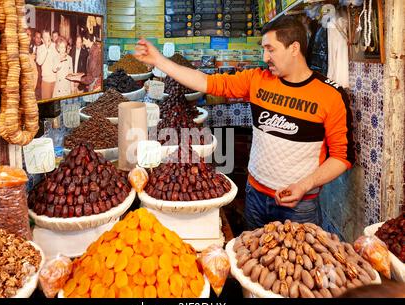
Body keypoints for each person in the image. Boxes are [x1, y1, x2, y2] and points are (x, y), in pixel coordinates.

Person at [134, 16, 355, 229]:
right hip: (255, 196)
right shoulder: (257, 79)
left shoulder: (330, 95)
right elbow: (206, 82)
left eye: (271, 49)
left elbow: (341, 157)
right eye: (263, 49)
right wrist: (159, 61)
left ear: (294, 48)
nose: (265, 57)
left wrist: (304, 186)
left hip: (300, 206)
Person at [36, 30, 58, 99]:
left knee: (55, 104)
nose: (47, 39)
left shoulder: (55, 46)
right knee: (47, 105)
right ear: (42, 39)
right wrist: (46, 48)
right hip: (46, 81)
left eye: (48, 36)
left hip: (56, 80)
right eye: (45, 37)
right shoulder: (40, 48)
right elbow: (39, 62)